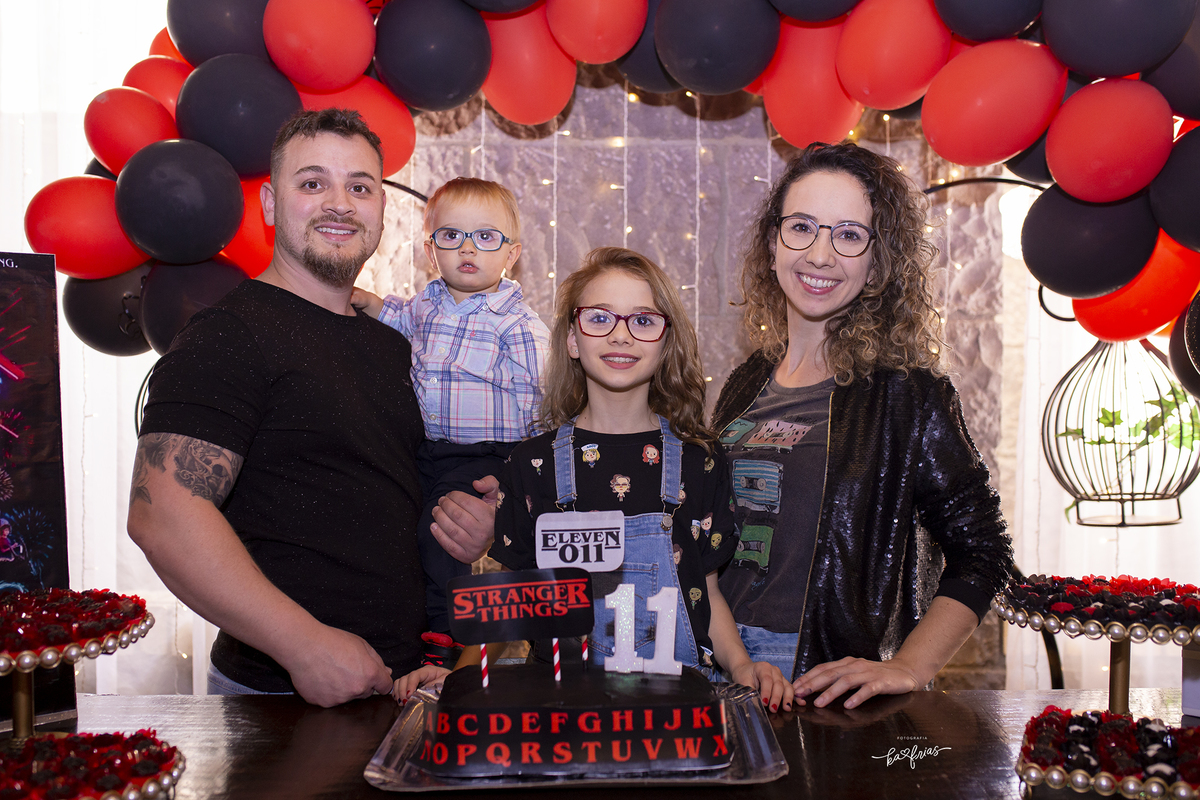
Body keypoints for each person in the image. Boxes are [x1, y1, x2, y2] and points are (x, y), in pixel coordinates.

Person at [126, 109, 496, 707]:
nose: (340, 203)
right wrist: (303, 646)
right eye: (313, 182)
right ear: (271, 204)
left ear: (381, 206)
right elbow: (161, 514)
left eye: (359, 187)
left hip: (408, 683)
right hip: (283, 694)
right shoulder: (229, 333)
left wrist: (469, 520)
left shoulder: (393, 343)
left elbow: (398, 490)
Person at [395, 247, 793, 713]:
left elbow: (707, 590)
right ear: (571, 340)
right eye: (600, 318)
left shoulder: (699, 460)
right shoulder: (530, 463)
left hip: (681, 707)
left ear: (666, 341)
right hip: (562, 710)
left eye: (642, 321)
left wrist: (743, 666)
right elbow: (510, 605)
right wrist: (459, 678)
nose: (621, 336)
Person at [712, 142, 1012, 710]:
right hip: (718, 665)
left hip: (813, 684)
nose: (820, 255)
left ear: (877, 261)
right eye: (802, 228)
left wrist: (909, 665)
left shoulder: (910, 397)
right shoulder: (745, 380)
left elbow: (984, 552)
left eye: (848, 235)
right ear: (773, 244)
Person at [352, 178, 549, 641]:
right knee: (399, 522)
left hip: (487, 453)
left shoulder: (517, 324)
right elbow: (400, 319)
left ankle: (449, 632)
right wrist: (372, 304)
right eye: (451, 235)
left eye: (485, 237)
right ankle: (404, 621)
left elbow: (545, 395)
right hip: (430, 449)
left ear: (511, 254)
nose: (468, 248)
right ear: (430, 250)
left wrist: (525, 473)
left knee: (443, 534)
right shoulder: (428, 303)